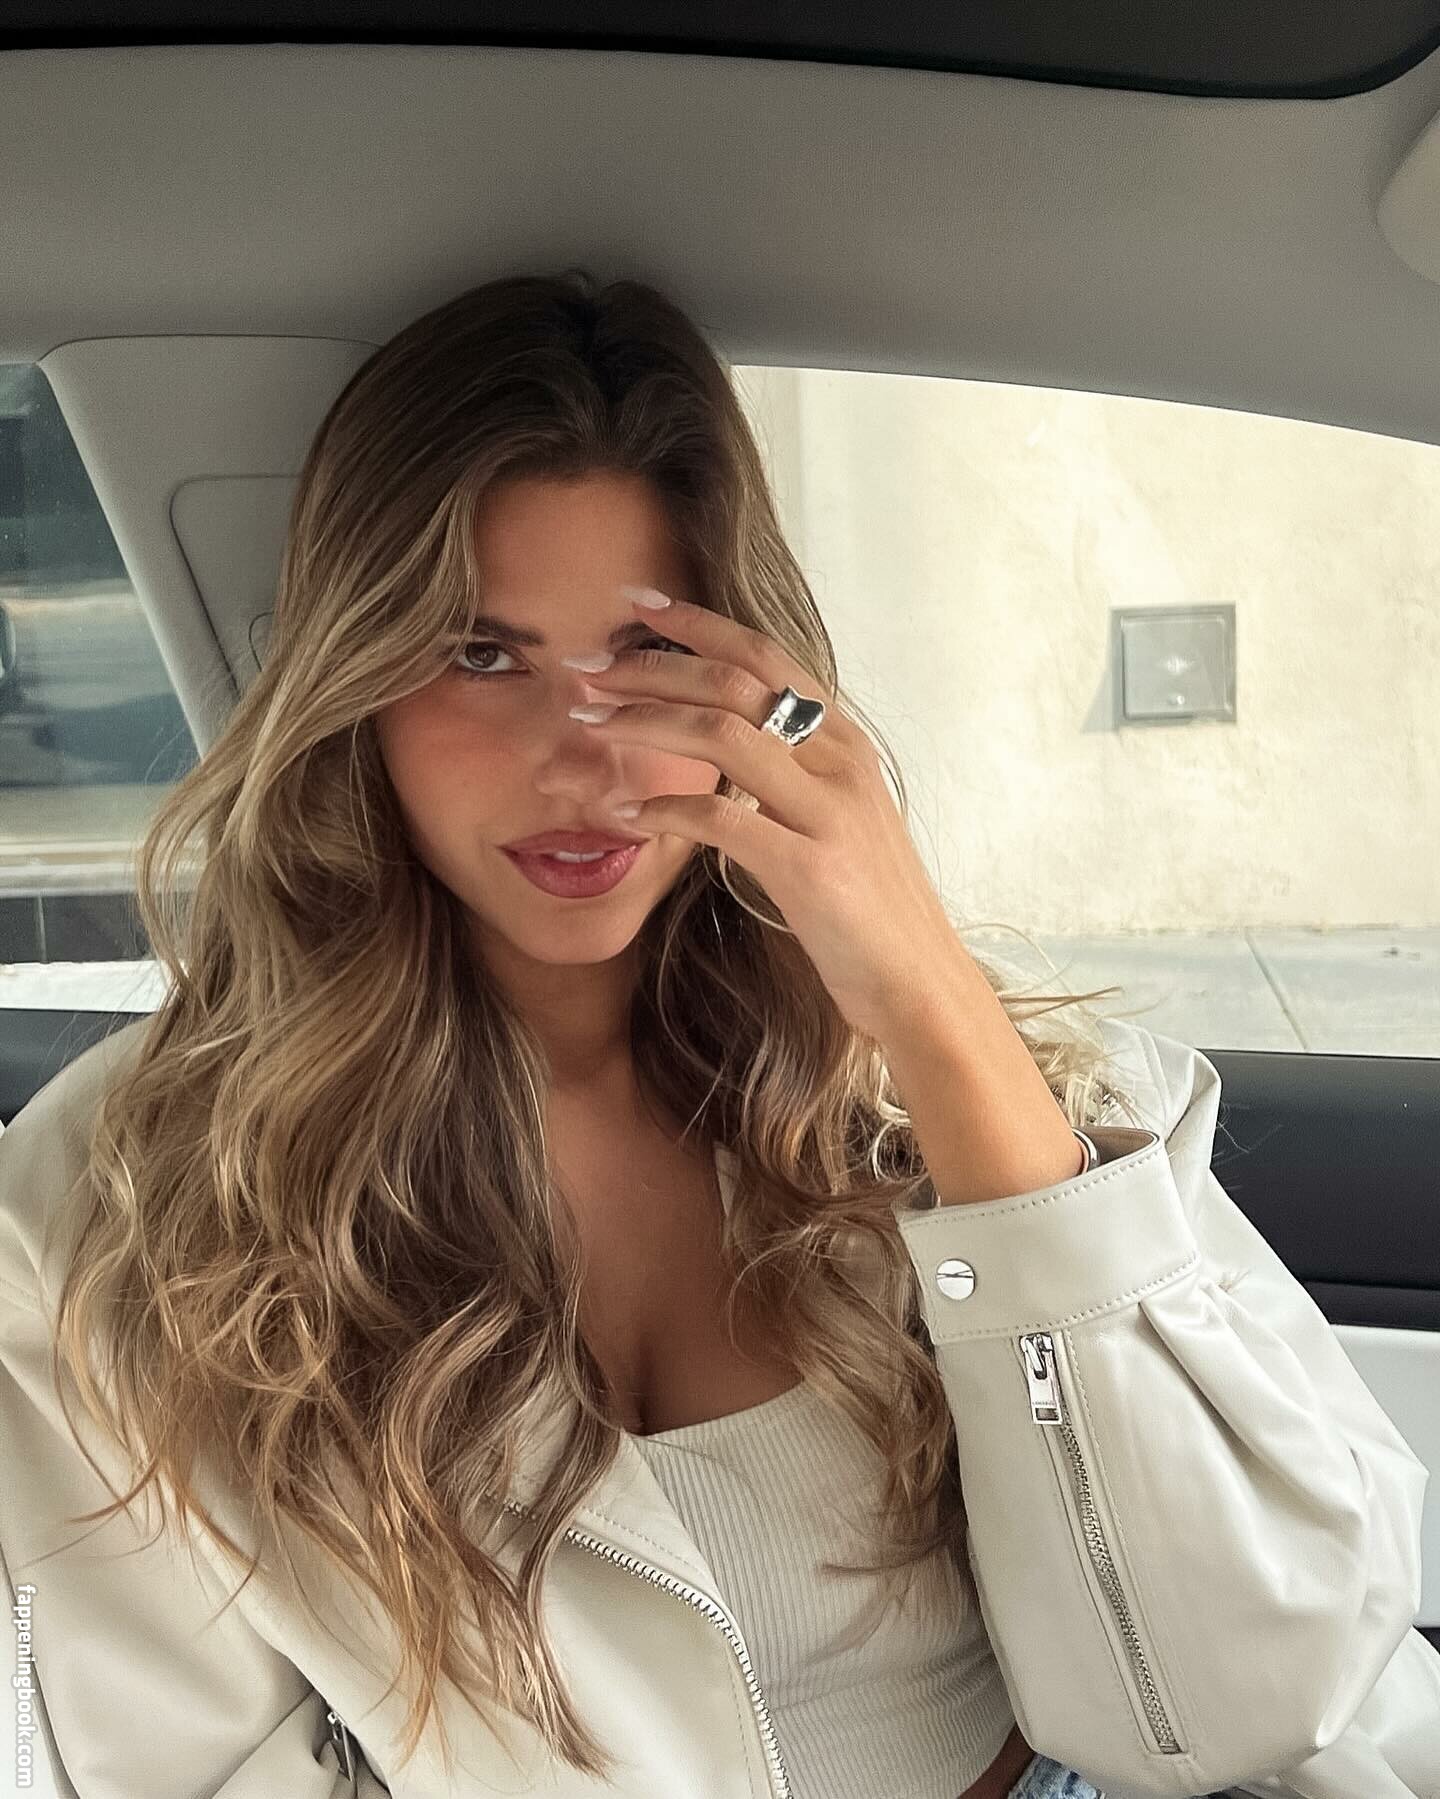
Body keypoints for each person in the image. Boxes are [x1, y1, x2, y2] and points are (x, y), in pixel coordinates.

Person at [1, 268, 1436, 1799]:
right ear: (350, 686)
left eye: (651, 659)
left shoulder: (1021, 1099)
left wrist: (933, 1015)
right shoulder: (126, 1208)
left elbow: (1241, 1694)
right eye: (480, 656)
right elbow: (184, 1769)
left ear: (766, 686)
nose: (585, 764)